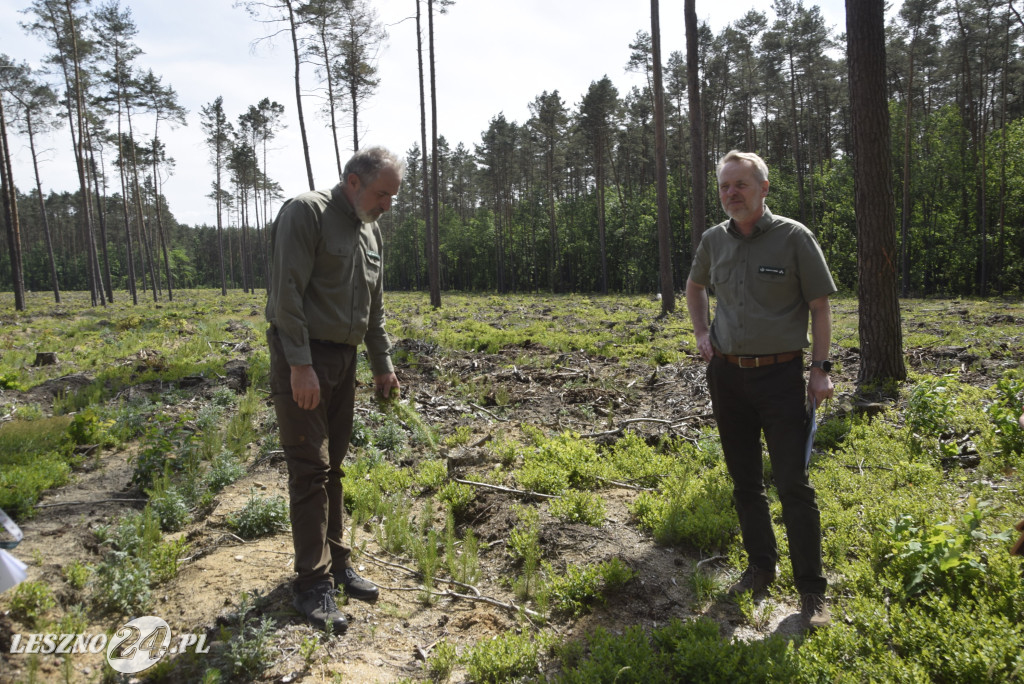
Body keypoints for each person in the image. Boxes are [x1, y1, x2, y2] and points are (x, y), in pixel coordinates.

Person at [685, 150, 836, 631]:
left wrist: (820, 369)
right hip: (728, 377)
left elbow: (820, 307)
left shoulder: (795, 238)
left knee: (793, 483)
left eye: (741, 185)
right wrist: (701, 334)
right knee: (745, 481)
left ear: (763, 188)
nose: (732, 194)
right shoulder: (713, 240)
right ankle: (760, 568)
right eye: (725, 187)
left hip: (780, 377)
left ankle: (812, 591)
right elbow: (695, 288)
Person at [266, 146, 404, 632]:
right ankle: (312, 583)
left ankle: (338, 564)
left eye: (393, 195)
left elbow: (375, 307)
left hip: (344, 361)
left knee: (336, 468)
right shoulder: (306, 213)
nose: (389, 203)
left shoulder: (371, 230)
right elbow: (286, 295)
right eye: (383, 193)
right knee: (310, 469)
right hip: (303, 357)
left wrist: (382, 364)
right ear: (353, 181)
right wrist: (299, 366)